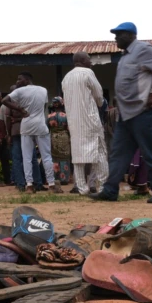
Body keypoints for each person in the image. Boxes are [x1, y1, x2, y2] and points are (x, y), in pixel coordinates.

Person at [90, 22, 152, 204]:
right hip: (125, 115)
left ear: (130, 35)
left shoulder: (143, 49)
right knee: (118, 154)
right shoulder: (125, 56)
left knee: (150, 152)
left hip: (142, 112)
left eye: (119, 35)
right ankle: (110, 191)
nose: (116, 38)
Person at [2, 72, 62, 194]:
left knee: (27, 157)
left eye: (19, 79)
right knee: (46, 156)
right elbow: (44, 107)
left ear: (27, 80)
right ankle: (51, 184)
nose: (17, 82)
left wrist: (20, 109)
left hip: (26, 125)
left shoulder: (20, 91)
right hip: (40, 124)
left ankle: (29, 186)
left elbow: (4, 100)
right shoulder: (43, 90)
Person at [61, 51, 108, 195]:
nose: (91, 62)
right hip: (90, 120)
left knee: (78, 155)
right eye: (89, 59)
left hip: (74, 123)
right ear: (81, 60)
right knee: (99, 152)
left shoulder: (66, 77)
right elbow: (99, 96)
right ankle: (102, 186)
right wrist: (100, 104)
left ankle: (81, 188)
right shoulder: (88, 73)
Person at [47, 97, 72, 185]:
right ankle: (64, 178)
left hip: (53, 138)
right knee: (65, 157)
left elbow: (47, 130)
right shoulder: (66, 116)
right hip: (64, 138)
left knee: (55, 158)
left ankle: (55, 178)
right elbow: (69, 129)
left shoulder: (49, 116)